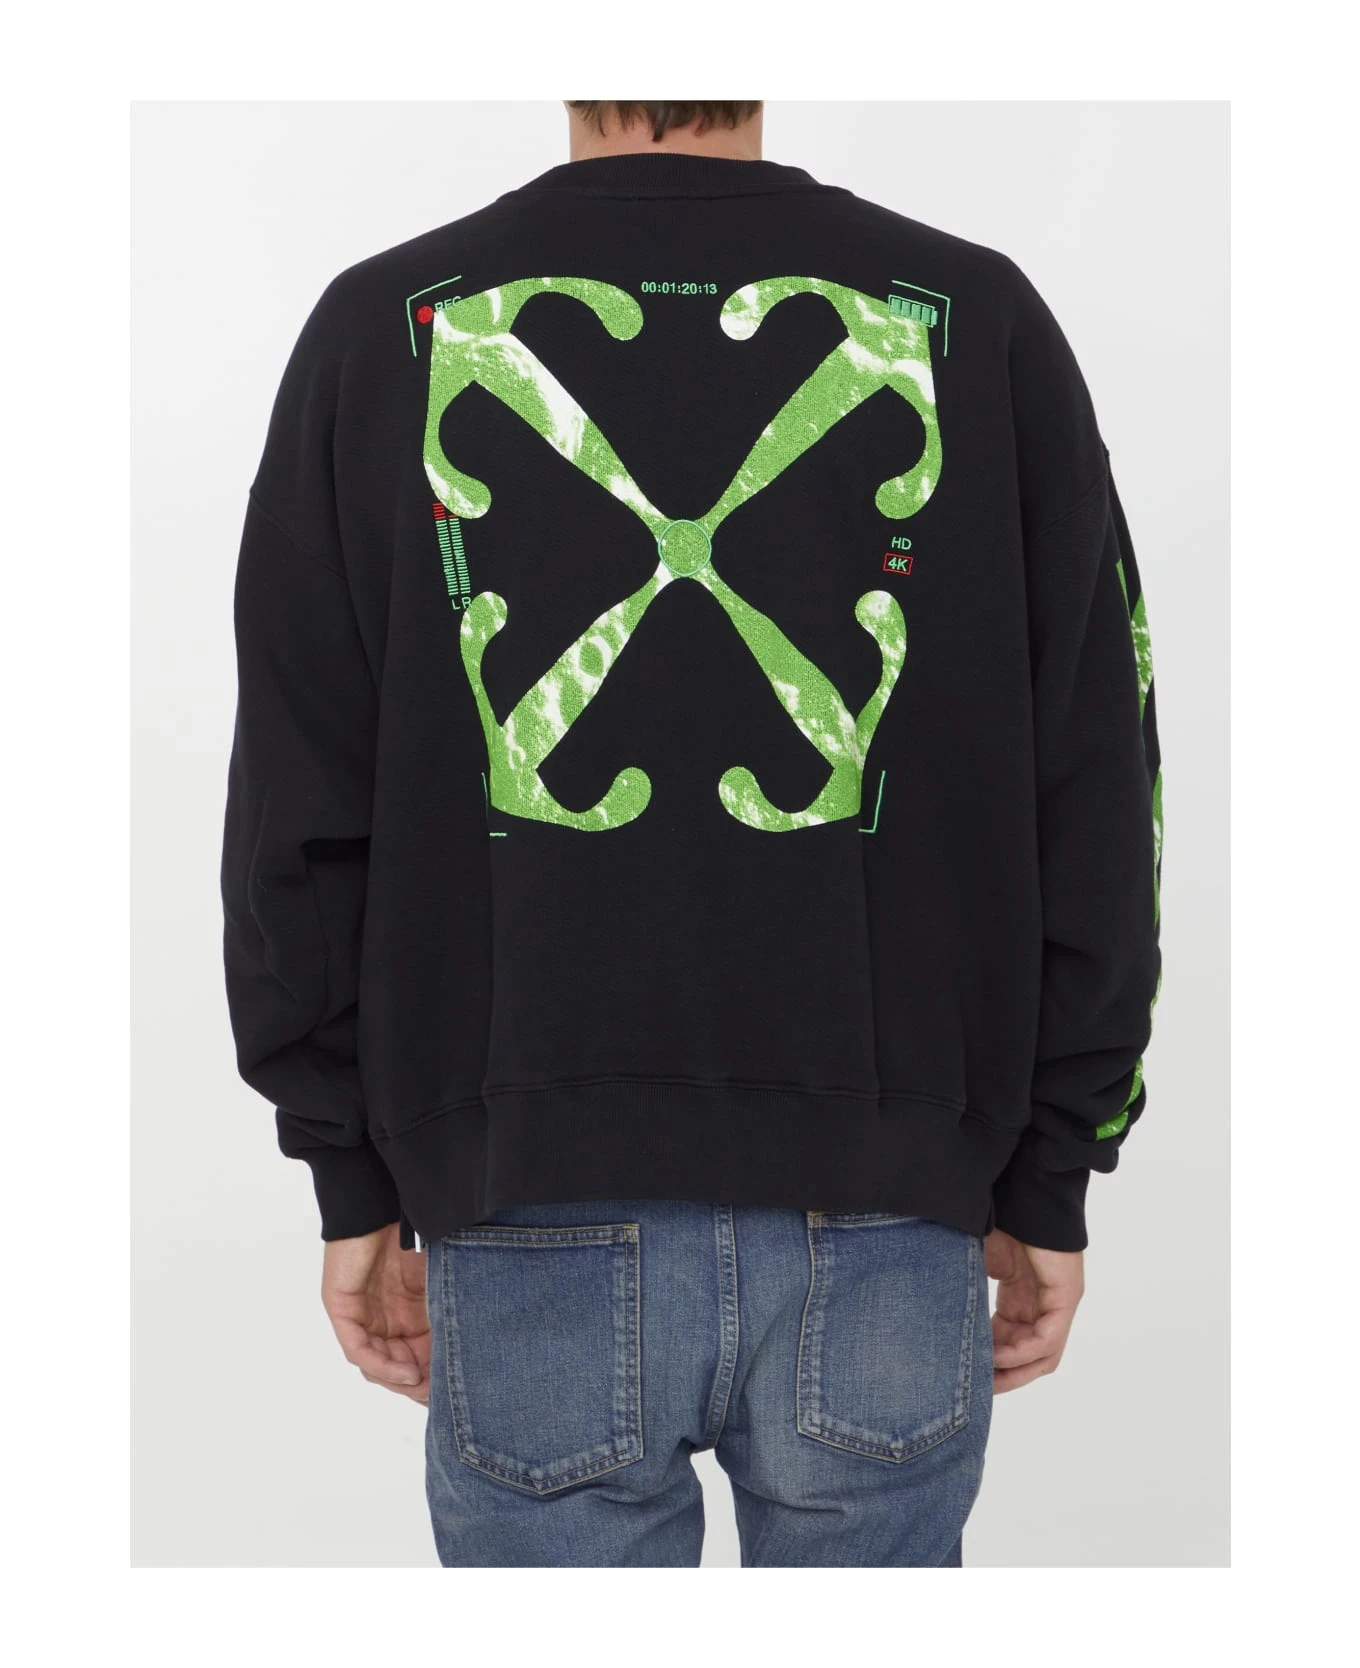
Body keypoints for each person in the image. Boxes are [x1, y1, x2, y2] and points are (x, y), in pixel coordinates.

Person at [220, 99, 1162, 1568]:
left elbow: (297, 798)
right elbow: (1101, 777)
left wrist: (353, 1168)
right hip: (889, 1203)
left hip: (525, 1191)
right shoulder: (971, 317)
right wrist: (1056, 1160)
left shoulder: (386, 326)